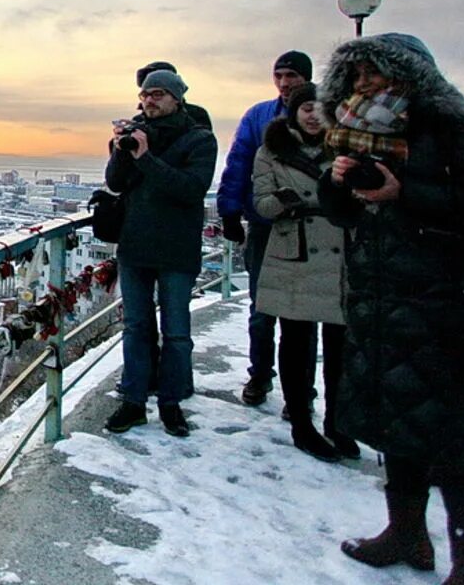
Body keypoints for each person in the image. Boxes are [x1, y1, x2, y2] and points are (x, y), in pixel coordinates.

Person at [316, 33, 464, 581]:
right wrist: (337, 182)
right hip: (378, 295)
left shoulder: (459, 126)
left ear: (414, 75)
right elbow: (342, 214)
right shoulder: (355, 130)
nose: (365, 82)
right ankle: (407, 534)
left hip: (445, 300)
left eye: (376, 71)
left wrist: (403, 192)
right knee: (399, 426)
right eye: (357, 72)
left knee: (458, 440)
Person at [103, 69, 217, 437]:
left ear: (176, 98)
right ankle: (134, 401)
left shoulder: (199, 139)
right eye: (145, 94)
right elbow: (116, 184)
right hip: (135, 247)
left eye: (158, 94)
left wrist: (146, 157)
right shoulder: (137, 134)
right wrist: (122, 149)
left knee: (177, 331)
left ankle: (171, 403)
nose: (149, 100)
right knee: (136, 328)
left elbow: (190, 188)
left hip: (176, 250)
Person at [250, 83, 355, 462]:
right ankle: (302, 423)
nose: (313, 114)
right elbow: (261, 203)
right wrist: (282, 201)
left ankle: (338, 422)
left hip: (340, 251)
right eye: (305, 107)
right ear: (293, 112)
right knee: (295, 342)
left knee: (341, 346)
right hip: (293, 250)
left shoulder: (347, 147)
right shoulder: (271, 151)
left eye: (320, 107)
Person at [216, 50, 312, 406]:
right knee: (261, 309)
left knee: (305, 313)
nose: (285, 83)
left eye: (292, 76)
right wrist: (229, 211)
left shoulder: (320, 114)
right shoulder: (258, 116)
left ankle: (301, 389)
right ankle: (260, 375)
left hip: (309, 229)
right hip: (264, 225)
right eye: (279, 76)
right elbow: (238, 162)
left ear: (307, 78)